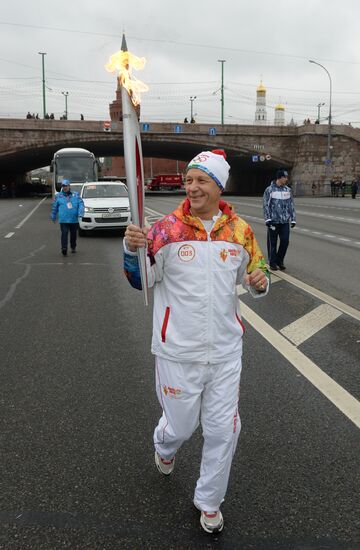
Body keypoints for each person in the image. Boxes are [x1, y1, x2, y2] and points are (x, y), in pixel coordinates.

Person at [123, 150, 269, 534]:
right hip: (177, 350)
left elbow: (258, 269)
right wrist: (130, 251)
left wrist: (260, 282)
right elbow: (141, 281)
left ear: (220, 186)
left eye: (201, 180)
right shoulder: (167, 230)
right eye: (189, 180)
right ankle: (164, 444)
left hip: (225, 351)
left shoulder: (239, 232)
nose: (192, 187)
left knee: (224, 430)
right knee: (182, 426)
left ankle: (208, 501)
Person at [263, 168, 296, 271]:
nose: (286, 179)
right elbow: (265, 205)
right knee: (272, 243)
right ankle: (272, 262)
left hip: (284, 221)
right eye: (284, 177)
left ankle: (279, 260)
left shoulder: (287, 190)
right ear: (279, 178)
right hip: (273, 221)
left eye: (286, 177)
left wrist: (293, 218)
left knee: (285, 242)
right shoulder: (269, 190)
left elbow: (291, 205)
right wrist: (267, 219)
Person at [51, 180, 84, 256]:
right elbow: (54, 207)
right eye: (63, 186)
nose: (65, 187)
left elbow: (81, 204)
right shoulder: (58, 196)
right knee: (64, 233)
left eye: (66, 186)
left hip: (74, 219)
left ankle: (73, 246)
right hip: (63, 219)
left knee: (73, 234)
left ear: (69, 186)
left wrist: (80, 212)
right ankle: (64, 248)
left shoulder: (75, 195)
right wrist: (53, 215)